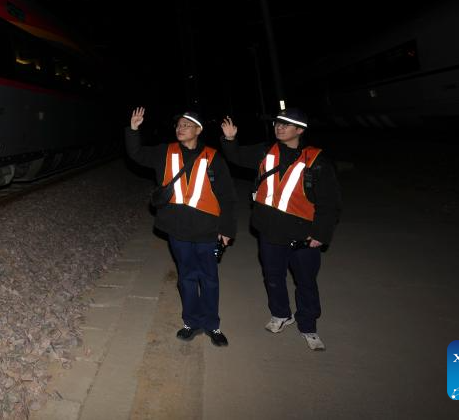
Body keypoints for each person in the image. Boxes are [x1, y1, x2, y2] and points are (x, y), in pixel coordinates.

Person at [220, 107, 341, 351]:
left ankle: (308, 325)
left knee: (306, 281)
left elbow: (330, 202)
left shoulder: (317, 160)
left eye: (286, 124)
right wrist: (230, 140)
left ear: (300, 130)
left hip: (304, 234)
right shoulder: (266, 151)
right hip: (269, 230)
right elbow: (236, 157)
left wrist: (320, 234)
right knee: (273, 277)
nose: (280, 127)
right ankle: (281, 314)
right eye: (278, 123)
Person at [126, 107, 237, 347]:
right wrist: (134, 130)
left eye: (187, 125)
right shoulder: (165, 151)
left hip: (207, 229)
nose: (180, 128)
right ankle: (191, 322)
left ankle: (212, 325)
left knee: (209, 279)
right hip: (177, 229)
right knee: (186, 277)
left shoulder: (213, 157)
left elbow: (227, 196)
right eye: (178, 125)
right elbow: (136, 154)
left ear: (198, 130)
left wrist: (227, 230)